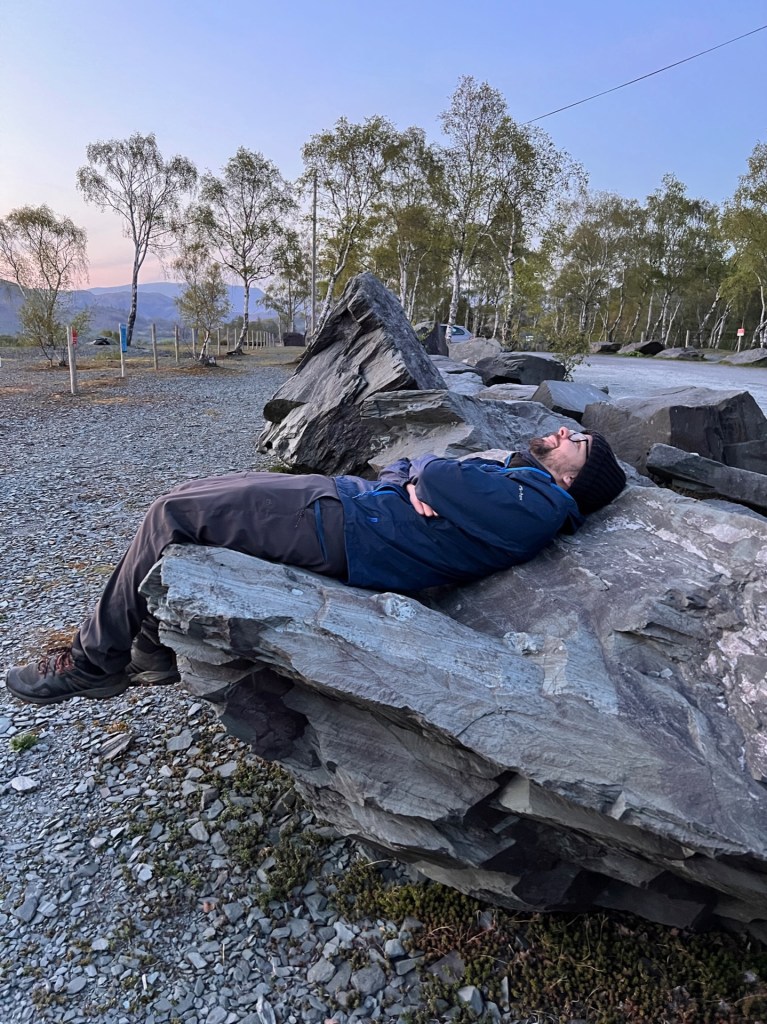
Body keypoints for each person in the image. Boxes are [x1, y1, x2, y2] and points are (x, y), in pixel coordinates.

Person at [6, 426, 626, 707]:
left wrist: (427, 480)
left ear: (574, 476)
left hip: (340, 528)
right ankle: (151, 649)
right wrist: (422, 480)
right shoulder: (522, 481)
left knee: (170, 513)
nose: (566, 432)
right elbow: (412, 466)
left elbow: (434, 471)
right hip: (343, 503)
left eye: (578, 442)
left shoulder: (541, 502)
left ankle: (94, 663)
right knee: (190, 498)